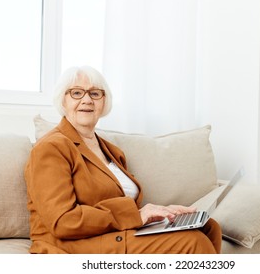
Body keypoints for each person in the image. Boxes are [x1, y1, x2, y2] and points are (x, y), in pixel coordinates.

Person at [24, 65, 222, 254]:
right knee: (191, 242)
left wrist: (160, 213)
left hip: (112, 233)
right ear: (63, 100)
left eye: (95, 93)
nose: (87, 100)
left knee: (209, 227)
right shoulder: (51, 147)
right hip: (73, 245)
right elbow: (62, 221)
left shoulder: (111, 151)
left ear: (104, 102)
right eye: (76, 93)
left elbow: (119, 205)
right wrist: (135, 215)